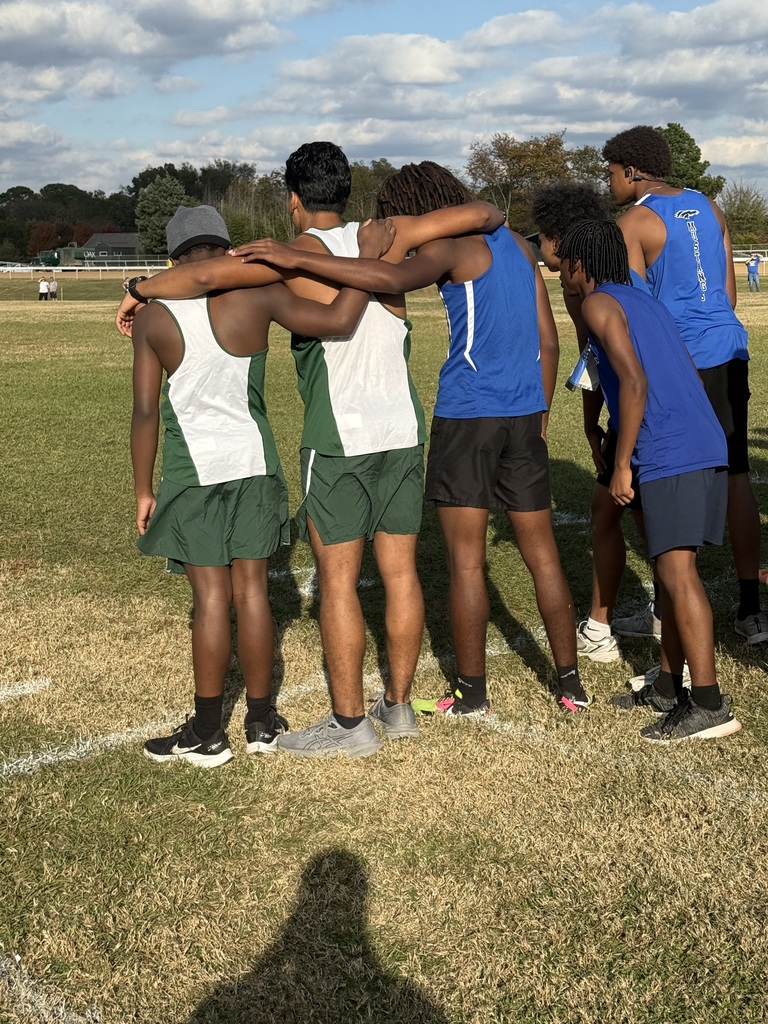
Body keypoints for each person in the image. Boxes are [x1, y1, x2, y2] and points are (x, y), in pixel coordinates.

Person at [117, 141, 506, 758]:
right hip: (404, 428)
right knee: (401, 570)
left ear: (293, 200)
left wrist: (140, 287)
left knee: (339, 580)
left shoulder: (295, 255)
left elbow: (211, 274)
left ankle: (350, 726)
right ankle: (399, 708)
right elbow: (485, 212)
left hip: (340, 437)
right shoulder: (392, 234)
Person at [242, 161, 589, 714]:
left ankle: (471, 693)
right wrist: (540, 411)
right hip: (526, 413)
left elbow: (388, 279)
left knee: (466, 562)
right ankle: (571, 685)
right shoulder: (521, 249)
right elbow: (548, 340)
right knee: (543, 554)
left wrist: (296, 257)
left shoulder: (452, 248)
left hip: (469, 414)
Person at [131, 204, 389, 767]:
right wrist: (366, 261)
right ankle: (261, 720)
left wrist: (143, 490)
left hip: (193, 471)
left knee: (209, 600)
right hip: (255, 463)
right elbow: (340, 322)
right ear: (226, 251)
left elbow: (145, 413)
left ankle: (206, 733)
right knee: (252, 592)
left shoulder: (153, 316)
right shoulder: (258, 296)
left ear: (173, 259)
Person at [558, 219, 741, 742]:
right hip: (701, 439)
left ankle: (708, 703)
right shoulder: (644, 301)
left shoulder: (597, 304)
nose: (563, 276)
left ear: (580, 265)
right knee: (668, 572)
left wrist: (621, 464)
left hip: (670, 448)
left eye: (565, 265)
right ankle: (667, 685)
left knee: (678, 574)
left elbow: (635, 380)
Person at [603, 125, 767, 645]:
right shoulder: (709, 205)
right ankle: (750, 609)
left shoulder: (633, 222)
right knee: (736, 472)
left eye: (610, 172)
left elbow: (635, 311)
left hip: (683, 362)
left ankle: (665, 608)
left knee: (660, 477)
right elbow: (728, 294)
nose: (608, 182)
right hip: (729, 348)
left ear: (631, 171)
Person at [531, 183, 660, 661]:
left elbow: (608, 361)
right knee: (628, 511)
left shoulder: (588, 286)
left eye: (541, 237)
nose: (539, 248)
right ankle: (641, 616)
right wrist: (593, 425)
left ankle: (603, 628)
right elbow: (599, 359)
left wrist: (603, 435)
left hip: (643, 409)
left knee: (619, 512)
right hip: (637, 402)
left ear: (563, 245)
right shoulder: (597, 274)